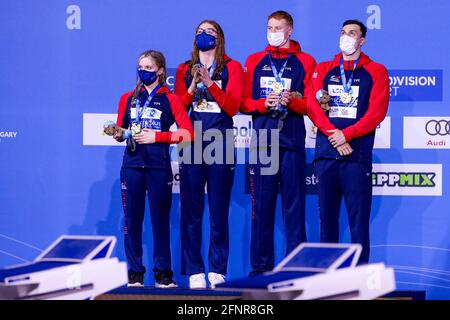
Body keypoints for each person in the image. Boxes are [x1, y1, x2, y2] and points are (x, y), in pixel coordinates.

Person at [240, 10, 316, 275]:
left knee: (294, 209)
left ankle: (296, 269)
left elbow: (311, 105)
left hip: (292, 142)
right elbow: (242, 103)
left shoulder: (306, 61)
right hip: (263, 142)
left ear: (290, 30)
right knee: (261, 207)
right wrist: (264, 104)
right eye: (269, 27)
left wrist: (291, 101)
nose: (272, 32)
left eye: (278, 28)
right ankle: (260, 269)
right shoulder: (255, 60)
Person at [307, 20, 389, 263]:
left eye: (352, 33)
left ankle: (360, 277)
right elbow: (313, 106)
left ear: (362, 40)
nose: (346, 37)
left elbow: (377, 112)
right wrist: (335, 135)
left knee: (358, 221)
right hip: (326, 155)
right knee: (327, 222)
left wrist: (348, 134)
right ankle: (327, 277)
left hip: (356, 155)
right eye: (343, 32)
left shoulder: (376, 71)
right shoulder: (324, 69)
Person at [113, 50, 194, 288]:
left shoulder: (171, 99)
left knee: (160, 222)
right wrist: (118, 132)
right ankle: (135, 274)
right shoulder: (127, 98)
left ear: (160, 71)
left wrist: (158, 137)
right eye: (140, 67)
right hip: (131, 167)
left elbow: (187, 133)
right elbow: (120, 130)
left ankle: (163, 275)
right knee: (132, 222)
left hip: (158, 168)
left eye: (149, 67)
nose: (143, 71)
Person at [175, 19, 244, 288]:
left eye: (210, 31)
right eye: (200, 32)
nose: (204, 35)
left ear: (220, 38)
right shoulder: (183, 69)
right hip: (191, 142)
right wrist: (194, 84)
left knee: (218, 209)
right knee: (191, 210)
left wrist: (210, 82)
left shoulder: (233, 67)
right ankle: (194, 270)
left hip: (220, 141)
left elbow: (233, 106)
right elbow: (179, 108)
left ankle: (217, 269)